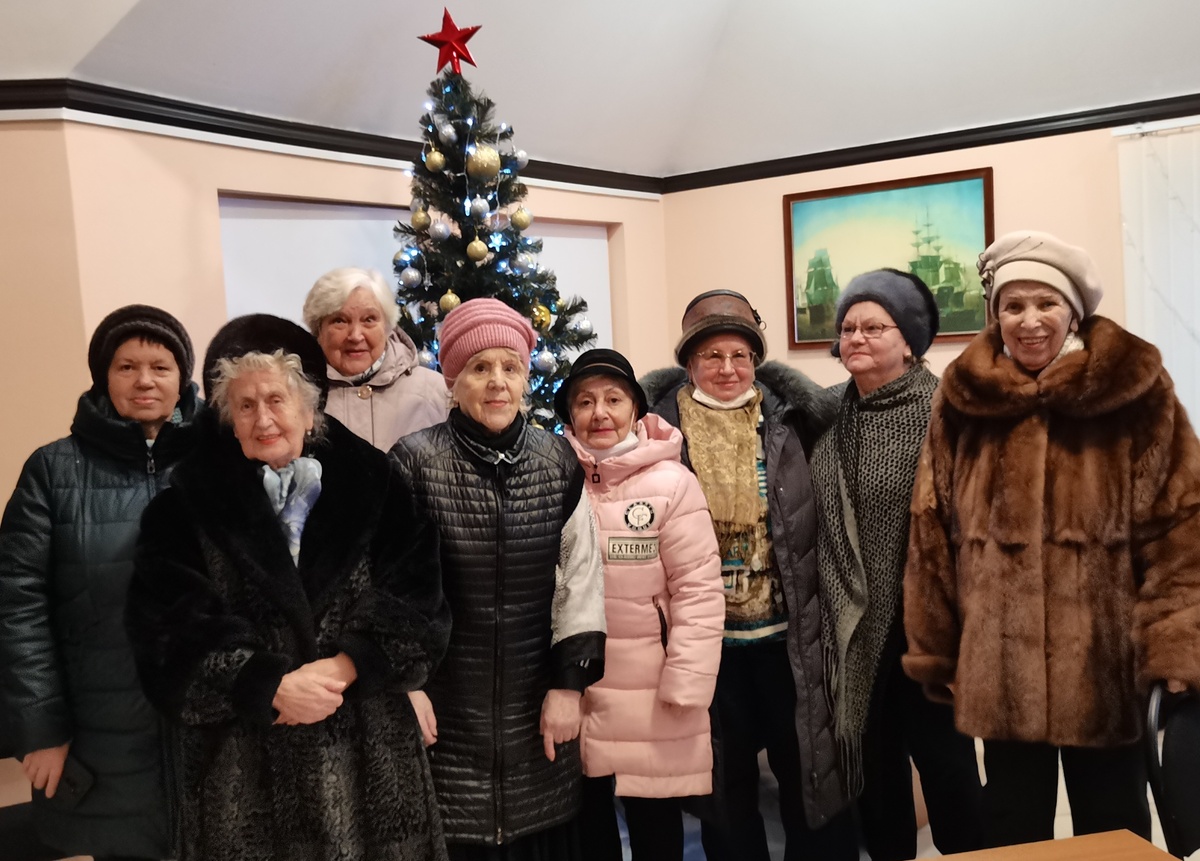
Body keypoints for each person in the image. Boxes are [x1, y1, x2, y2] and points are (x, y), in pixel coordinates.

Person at [904, 230, 1200, 848]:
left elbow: (1182, 528)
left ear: (1074, 311)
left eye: (1046, 303)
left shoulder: (1135, 392)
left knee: (1114, 822)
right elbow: (931, 531)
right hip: (999, 666)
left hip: (1105, 661)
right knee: (1012, 824)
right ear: (997, 316)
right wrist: (940, 650)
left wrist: (1175, 645)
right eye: (1013, 306)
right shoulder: (964, 396)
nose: (1030, 320)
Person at [125, 314, 451, 861]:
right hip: (244, 768)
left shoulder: (375, 482)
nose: (263, 419)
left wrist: (348, 666)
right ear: (228, 419)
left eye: (277, 399)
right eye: (245, 405)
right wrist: (265, 684)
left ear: (308, 407)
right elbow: (169, 633)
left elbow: (419, 601)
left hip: (369, 758)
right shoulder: (183, 508)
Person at [641, 290, 857, 861]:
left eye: (739, 355)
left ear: (756, 360)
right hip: (705, 645)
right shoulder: (655, 433)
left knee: (808, 772)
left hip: (789, 639)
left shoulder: (794, 422)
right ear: (689, 363)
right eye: (711, 356)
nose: (727, 368)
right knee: (725, 787)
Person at [391, 298, 607, 861]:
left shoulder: (557, 461)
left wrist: (570, 685)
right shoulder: (413, 463)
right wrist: (406, 684)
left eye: (510, 368)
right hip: (444, 714)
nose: (496, 382)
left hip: (537, 710)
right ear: (453, 379)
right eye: (479, 368)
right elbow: (390, 585)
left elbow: (580, 578)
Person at [0, 305, 199, 861]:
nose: (144, 381)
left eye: (160, 367)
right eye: (126, 366)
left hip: (212, 729)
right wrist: (40, 728)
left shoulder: (222, 460)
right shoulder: (52, 470)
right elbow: (16, 604)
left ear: (182, 377)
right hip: (101, 732)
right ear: (102, 377)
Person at [811, 270, 983, 860]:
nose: (855, 338)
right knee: (875, 778)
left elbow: (972, 529)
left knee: (949, 772)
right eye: (847, 328)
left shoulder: (946, 412)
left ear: (909, 341)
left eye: (874, 327)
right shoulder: (827, 413)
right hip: (853, 631)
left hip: (927, 627)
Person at [556, 349, 724, 861]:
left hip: (653, 692)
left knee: (656, 827)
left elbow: (698, 590)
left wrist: (688, 681)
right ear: (569, 414)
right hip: (574, 690)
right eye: (585, 402)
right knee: (587, 829)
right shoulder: (552, 478)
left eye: (613, 399)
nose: (599, 413)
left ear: (635, 409)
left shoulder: (672, 484)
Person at [303, 266, 448, 450]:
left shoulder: (436, 392)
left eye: (369, 319)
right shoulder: (298, 396)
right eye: (340, 320)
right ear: (318, 329)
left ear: (387, 326)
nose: (355, 336)